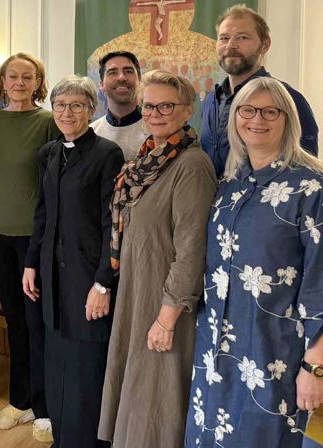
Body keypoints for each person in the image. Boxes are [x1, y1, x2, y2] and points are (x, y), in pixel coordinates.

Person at [185, 77, 323, 447]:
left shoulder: (311, 188)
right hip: (215, 350)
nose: (256, 119)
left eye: (269, 111)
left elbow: (320, 284)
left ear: (287, 120)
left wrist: (315, 368)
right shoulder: (229, 184)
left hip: (274, 354)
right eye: (247, 110)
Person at [97, 70, 216, 448]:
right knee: (136, 391)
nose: (155, 112)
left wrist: (166, 319)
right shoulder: (148, 160)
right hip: (136, 292)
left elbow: (192, 249)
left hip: (165, 304)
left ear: (187, 110)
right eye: (149, 105)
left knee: (156, 400)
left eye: (167, 105)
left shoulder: (191, 166)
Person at [23, 75, 125, 446]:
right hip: (51, 276)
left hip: (87, 279)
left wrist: (103, 282)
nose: (67, 113)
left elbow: (112, 224)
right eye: (61, 105)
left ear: (91, 109)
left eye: (77, 106)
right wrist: (31, 263)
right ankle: (63, 438)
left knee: (85, 368)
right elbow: (42, 214)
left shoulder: (107, 154)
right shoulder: (48, 153)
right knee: (56, 363)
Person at [0, 52, 61, 437]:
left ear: (37, 82)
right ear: (2, 81)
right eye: (12, 76)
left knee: (36, 321)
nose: (19, 82)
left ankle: (44, 406)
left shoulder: (48, 122)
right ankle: (19, 400)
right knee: (15, 320)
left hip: (33, 236)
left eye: (27, 77)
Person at [202, 4, 318, 178]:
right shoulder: (211, 100)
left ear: (264, 45)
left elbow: (306, 171)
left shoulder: (288, 99)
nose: (231, 45)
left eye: (242, 37)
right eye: (224, 38)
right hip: (216, 204)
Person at [90, 51, 149, 161]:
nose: (121, 77)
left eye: (128, 71)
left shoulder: (157, 131)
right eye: (112, 72)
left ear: (139, 81)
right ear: (101, 85)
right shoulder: (91, 134)